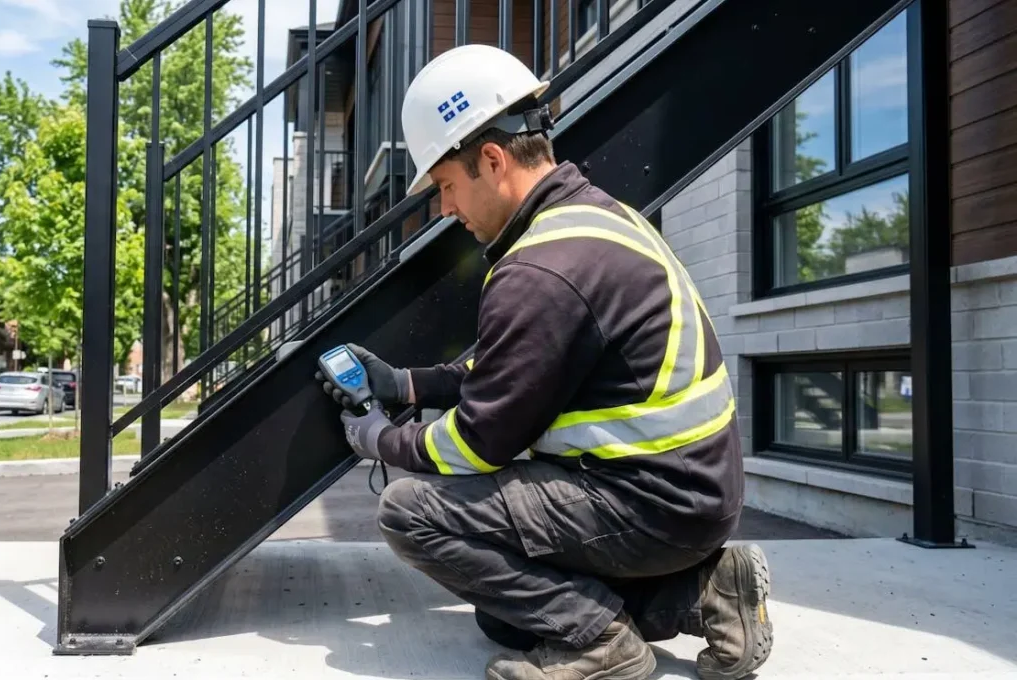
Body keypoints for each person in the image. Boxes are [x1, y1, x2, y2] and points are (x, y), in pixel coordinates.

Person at [315, 44, 772, 680]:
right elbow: (511, 371)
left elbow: (479, 442)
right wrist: (405, 384)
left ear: (493, 160)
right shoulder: (594, 222)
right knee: (504, 615)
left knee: (411, 514)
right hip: (685, 493)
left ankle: (601, 644)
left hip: (651, 502)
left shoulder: (540, 270)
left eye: (446, 186)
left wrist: (383, 439)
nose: (446, 210)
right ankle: (704, 592)